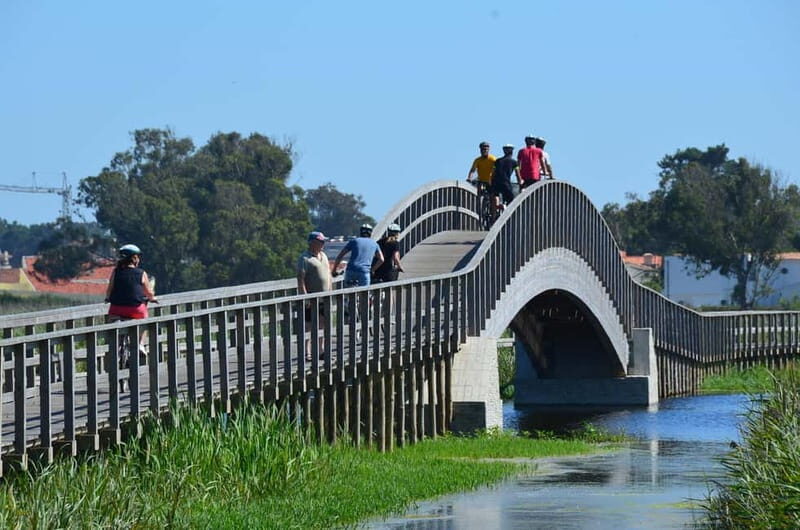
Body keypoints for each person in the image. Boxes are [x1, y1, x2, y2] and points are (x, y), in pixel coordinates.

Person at [105, 244, 157, 390]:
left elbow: (109, 290)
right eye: (137, 256)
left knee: (112, 321)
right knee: (144, 315)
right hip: (136, 310)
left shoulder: (116, 272)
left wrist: (108, 298)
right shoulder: (141, 273)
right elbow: (148, 292)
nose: (139, 259)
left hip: (116, 309)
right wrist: (152, 298)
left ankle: (114, 347)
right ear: (134, 258)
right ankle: (140, 343)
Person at [297, 231, 332, 359]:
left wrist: (330, 291)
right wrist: (305, 297)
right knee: (309, 325)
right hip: (311, 297)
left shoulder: (324, 256)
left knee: (323, 324)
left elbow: (328, 275)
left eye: (323, 242)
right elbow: (301, 279)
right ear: (312, 242)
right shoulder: (305, 258)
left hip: (324, 297)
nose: (322, 244)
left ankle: (321, 351)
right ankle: (307, 353)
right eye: (320, 242)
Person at [491, 144, 521, 213]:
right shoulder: (514, 162)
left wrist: (491, 181)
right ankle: (505, 208)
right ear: (512, 152)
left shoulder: (497, 161)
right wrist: (520, 182)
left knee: (495, 195)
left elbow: (493, 173)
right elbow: (517, 174)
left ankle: (496, 211)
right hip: (506, 183)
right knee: (511, 200)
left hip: (496, 182)